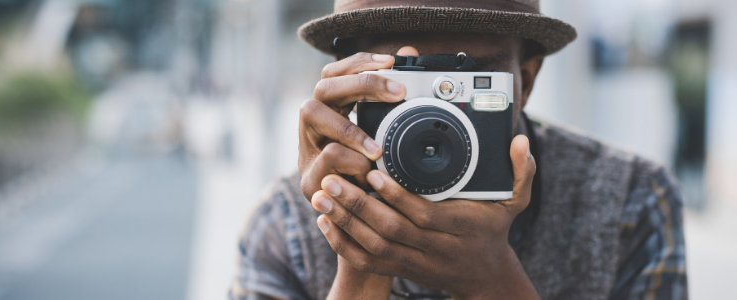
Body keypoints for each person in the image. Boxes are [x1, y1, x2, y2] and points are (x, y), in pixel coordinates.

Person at [230, 1, 688, 299]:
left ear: (524, 82)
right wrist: (360, 259)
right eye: (408, 83)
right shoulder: (284, 224)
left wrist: (492, 277)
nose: (436, 123)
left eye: (463, 87)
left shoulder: (630, 199)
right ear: (349, 82)